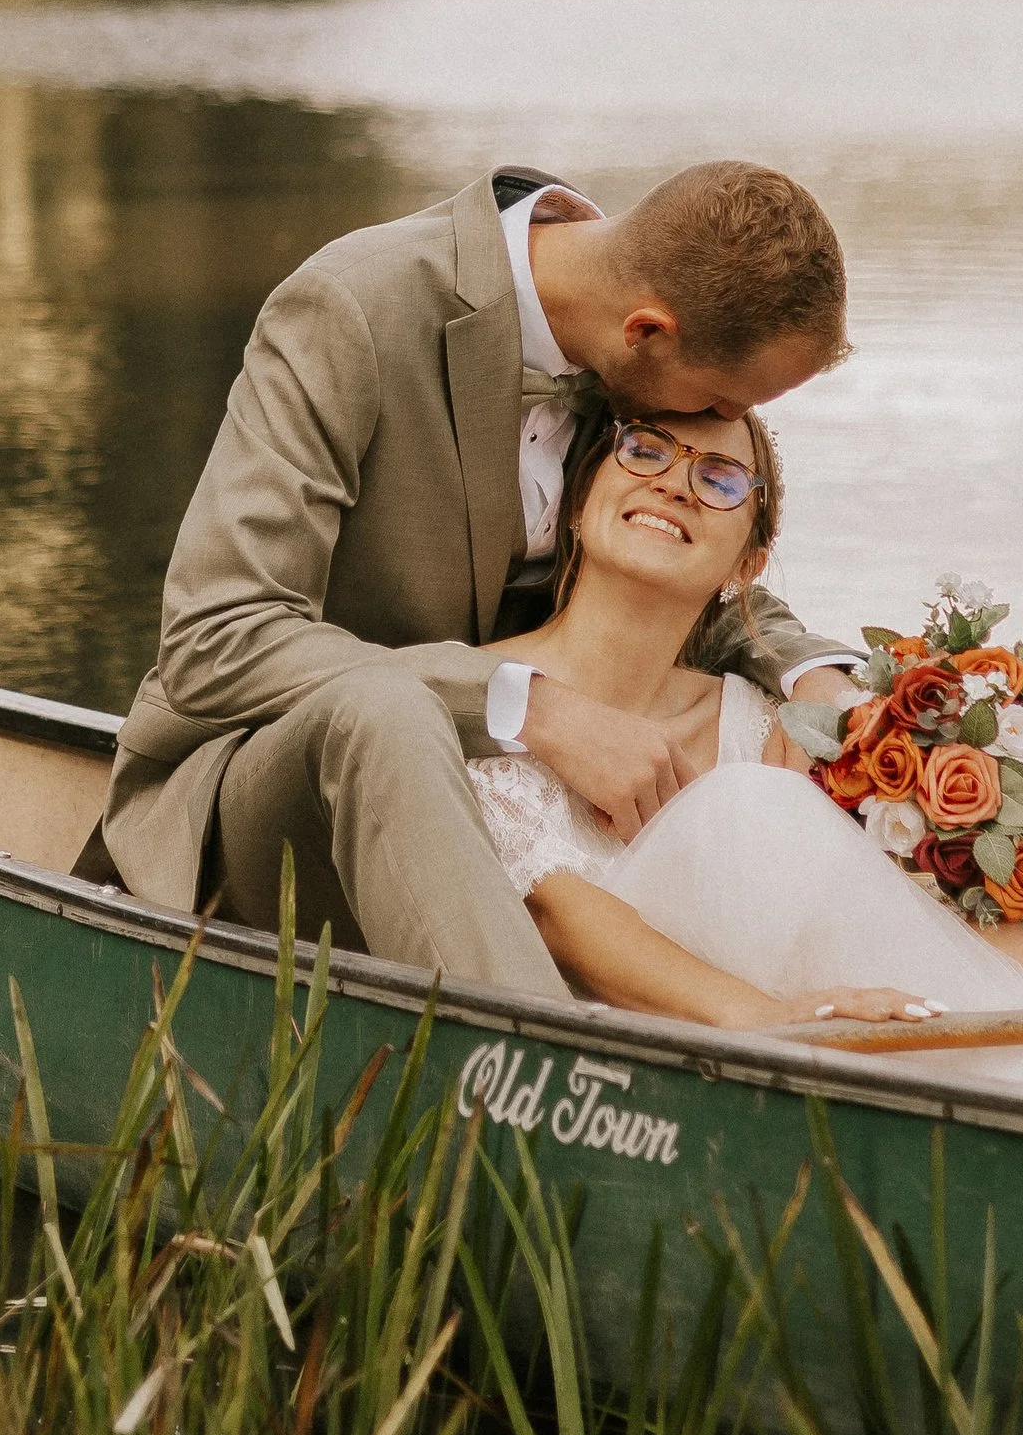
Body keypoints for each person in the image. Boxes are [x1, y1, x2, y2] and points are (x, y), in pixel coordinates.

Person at [87, 161, 871, 992]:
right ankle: (539, 1062)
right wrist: (531, 706)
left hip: (480, 818)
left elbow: (673, 563)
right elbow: (215, 639)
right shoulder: (351, 309)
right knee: (386, 711)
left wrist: (814, 673)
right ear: (647, 332)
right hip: (264, 801)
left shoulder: (627, 332)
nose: (716, 428)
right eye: (719, 404)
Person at [470, 396, 1023, 1128]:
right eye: (645, 451)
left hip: (871, 1058)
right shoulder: (479, 703)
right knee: (748, 807)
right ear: (577, 506)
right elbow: (560, 918)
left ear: (748, 565)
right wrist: (778, 1022)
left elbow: (916, 900)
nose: (674, 484)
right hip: (663, 1080)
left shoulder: (777, 721)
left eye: (720, 478)